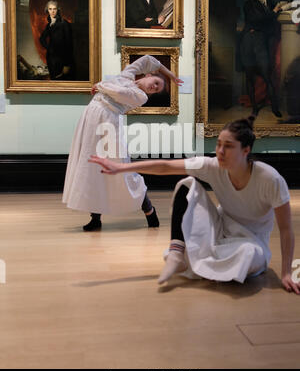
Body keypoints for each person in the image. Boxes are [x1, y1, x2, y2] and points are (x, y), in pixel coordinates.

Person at [89, 116, 300, 294]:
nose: (220, 151)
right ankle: (177, 253)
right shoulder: (212, 166)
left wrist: (285, 274)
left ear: (245, 150)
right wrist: (120, 167)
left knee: (247, 256)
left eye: (228, 146)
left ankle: (210, 264)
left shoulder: (270, 179)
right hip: (220, 229)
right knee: (186, 184)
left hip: (252, 242)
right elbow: (165, 167)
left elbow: (286, 230)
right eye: (218, 144)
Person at [63, 55, 183, 231]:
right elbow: (148, 59)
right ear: (148, 75)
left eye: (157, 89)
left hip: (108, 124)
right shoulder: (127, 75)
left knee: (121, 168)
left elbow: (120, 93)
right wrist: (170, 75)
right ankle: (95, 218)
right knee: (92, 168)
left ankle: (149, 210)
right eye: (156, 82)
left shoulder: (141, 97)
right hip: (91, 117)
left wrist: (100, 85)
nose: (154, 87)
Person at [240, 0, 282, 118]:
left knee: (266, 75)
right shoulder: (249, 4)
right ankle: (254, 108)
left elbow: (269, 23)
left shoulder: (271, 3)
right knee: (249, 76)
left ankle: (275, 108)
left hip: (261, 42)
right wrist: (273, 13)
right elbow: (256, 19)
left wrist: (272, 14)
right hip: (248, 42)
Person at [40, 0, 74, 80]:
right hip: (51, 60)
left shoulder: (64, 24)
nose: (52, 11)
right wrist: (49, 48)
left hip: (62, 61)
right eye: (50, 9)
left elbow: (69, 45)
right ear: (47, 10)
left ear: (58, 10)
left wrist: (67, 65)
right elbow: (42, 39)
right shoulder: (49, 25)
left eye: (54, 9)